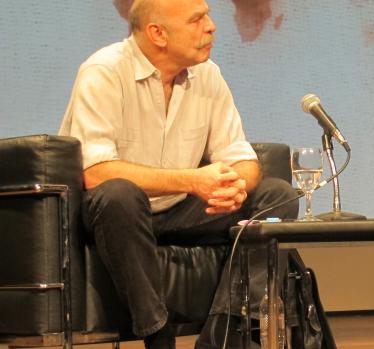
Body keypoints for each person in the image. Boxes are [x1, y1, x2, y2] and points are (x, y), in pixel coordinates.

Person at [58, 0, 299, 348]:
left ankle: (225, 332)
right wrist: (194, 181)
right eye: (197, 19)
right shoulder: (104, 71)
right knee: (119, 194)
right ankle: (158, 336)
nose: (212, 26)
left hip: (180, 210)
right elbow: (96, 172)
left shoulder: (208, 75)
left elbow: (242, 159)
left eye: (209, 15)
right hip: (119, 215)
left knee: (277, 195)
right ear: (158, 33)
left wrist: (233, 185)